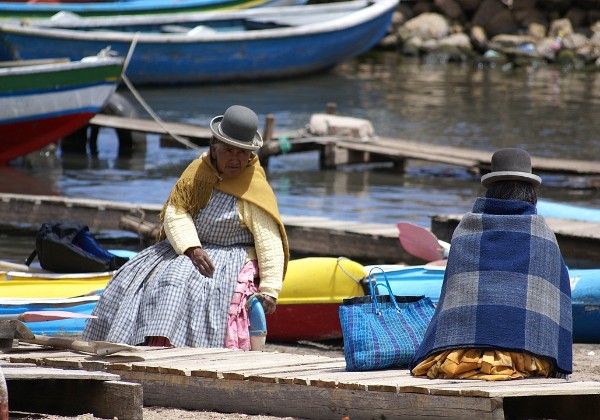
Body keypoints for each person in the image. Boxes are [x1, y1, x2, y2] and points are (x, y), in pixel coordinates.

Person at [82, 105, 289, 350]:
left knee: (196, 284)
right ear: (214, 148)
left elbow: (269, 241)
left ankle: (193, 348)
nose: (235, 159)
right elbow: (176, 213)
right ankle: (149, 343)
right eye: (229, 151)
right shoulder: (197, 172)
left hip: (233, 255)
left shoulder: (254, 186)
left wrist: (270, 290)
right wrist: (192, 249)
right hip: (189, 248)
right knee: (154, 277)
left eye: (242, 153)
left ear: (251, 156)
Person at [410, 148, 572, 380]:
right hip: (528, 353)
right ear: (530, 193)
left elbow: (452, 294)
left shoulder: (467, 227)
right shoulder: (541, 232)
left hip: (459, 348)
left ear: (492, 190)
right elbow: (559, 291)